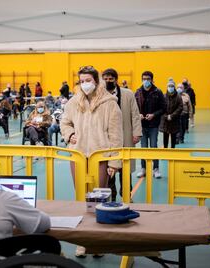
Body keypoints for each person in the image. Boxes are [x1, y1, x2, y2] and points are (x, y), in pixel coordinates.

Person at [60, 66, 122, 258]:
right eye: (81, 81)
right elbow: (65, 122)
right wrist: (69, 134)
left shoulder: (110, 103)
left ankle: (97, 242)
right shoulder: (73, 102)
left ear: (96, 81)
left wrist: (114, 162)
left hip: (100, 157)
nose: (85, 84)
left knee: (97, 200)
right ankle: (82, 242)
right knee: (81, 198)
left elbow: (116, 134)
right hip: (78, 156)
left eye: (88, 80)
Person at [102, 68, 142, 202]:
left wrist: (136, 133)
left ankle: (126, 195)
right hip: (107, 140)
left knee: (125, 170)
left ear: (116, 80)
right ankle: (111, 197)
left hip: (125, 136)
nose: (108, 81)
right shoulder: (100, 95)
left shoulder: (128, 94)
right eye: (105, 79)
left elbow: (135, 114)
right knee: (110, 170)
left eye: (110, 79)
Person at [135, 71, 165, 179]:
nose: (146, 81)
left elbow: (163, 108)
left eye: (148, 79)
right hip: (142, 126)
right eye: (144, 79)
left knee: (153, 147)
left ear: (152, 80)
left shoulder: (158, 92)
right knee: (143, 148)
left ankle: (155, 169)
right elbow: (134, 108)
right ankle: (143, 169)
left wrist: (154, 115)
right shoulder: (138, 92)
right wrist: (138, 115)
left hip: (153, 125)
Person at [159, 81, 182, 148]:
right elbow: (161, 107)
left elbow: (180, 107)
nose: (170, 87)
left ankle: (173, 152)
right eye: (169, 86)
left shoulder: (178, 97)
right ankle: (165, 151)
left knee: (173, 138)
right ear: (167, 87)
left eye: (172, 86)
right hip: (165, 121)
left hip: (174, 121)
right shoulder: (163, 96)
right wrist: (166, 116)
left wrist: (172, 116)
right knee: (165, 138)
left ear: (174, 87)